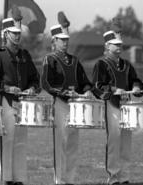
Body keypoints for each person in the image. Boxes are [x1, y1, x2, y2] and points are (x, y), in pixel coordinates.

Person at [0, 17, 40, 185]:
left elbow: (35, 79)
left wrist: (32, 89)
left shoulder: (25, 55)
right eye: (13, 33)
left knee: (21, 141)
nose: (17, 36)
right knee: (7, 141)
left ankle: (19, 179)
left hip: (23, 104)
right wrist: (6, 88)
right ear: (6, 34)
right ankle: (7, 178)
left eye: (18, 33)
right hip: (5, 101)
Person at [41, 24, 93, 185]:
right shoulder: (49, 59)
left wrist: (87, 90)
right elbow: (46, 83)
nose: (65, 43)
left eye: (66, 40)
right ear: (54, 40)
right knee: (60, 143)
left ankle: (70, 179)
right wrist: (63, 92)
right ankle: (59, 180)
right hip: (60, 104)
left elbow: (84, 81)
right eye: (62, 40)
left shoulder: (75, 60)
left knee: (73, 144)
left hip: (76, 105)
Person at [92, 30, 143, 185]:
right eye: (116, 44)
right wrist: (114, 89)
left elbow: (136, 80)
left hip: (127, 105)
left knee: (126, 142)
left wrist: (135, 87)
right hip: (112, 105)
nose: (119, 46)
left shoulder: (127, 65)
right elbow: (97, 85)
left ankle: (124, 177)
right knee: (114, 140)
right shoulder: (101, 64)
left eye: (120, 44)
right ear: (107, 45)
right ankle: (113, 177)